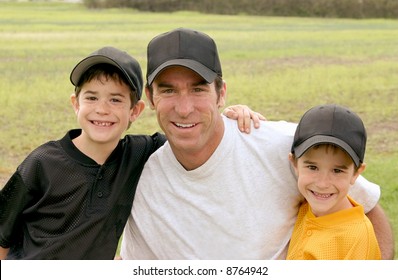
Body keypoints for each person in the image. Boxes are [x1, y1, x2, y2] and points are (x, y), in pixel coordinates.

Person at [120, 27, 394, 260]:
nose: (184, 108)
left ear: (221, 93)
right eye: (169, 90)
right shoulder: (133, 169)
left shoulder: (290, 148)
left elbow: (369, 212)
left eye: (198, 89)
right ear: (151, 97)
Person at [0, 46, 259, 260]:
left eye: (115, 100)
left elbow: (189, 133)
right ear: (75, 103)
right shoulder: (42, 163)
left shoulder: (138, 154)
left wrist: (230, 114)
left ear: (135, 111)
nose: (102, 109)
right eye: (91, 98)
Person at [286, 104, 381, 259]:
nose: (323, 184)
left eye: (337, 170)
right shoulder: (306, 208)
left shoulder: (357, 237)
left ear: (356, 173)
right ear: (295, 163)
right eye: (312, 167)